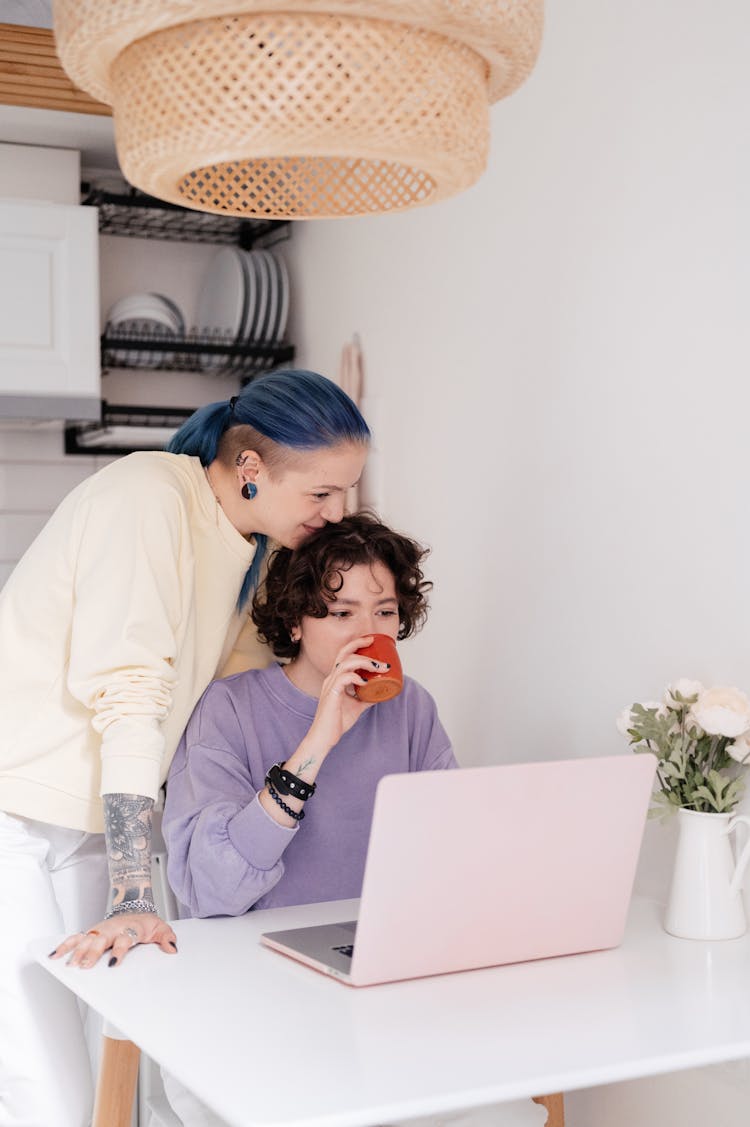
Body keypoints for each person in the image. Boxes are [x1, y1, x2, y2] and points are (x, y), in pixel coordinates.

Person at [0, 369, 370, 1127]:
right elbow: (133, 695)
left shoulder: (253, 545)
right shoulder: (147, 500)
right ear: (250, 469)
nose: (335, 514)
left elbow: (228, 700)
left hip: (97, 823)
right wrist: (138, 895)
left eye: (348, 493)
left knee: (116, 1086)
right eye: (323, 494)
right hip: (13, 815)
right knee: (49, 1097)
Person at [159, 514, 546, 1127]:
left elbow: (453, 850)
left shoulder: (410, 707)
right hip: (258, 984)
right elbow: (210, 892)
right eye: (341, 613)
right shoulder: (229, 710)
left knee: (500, 1106)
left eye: (384, 612)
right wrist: (317, 743)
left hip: (382, 980)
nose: (367, 632)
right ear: (295, 620)